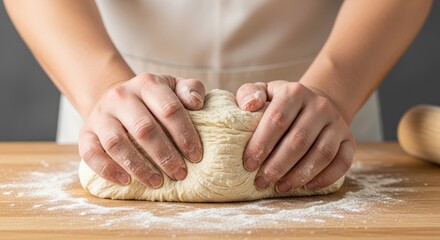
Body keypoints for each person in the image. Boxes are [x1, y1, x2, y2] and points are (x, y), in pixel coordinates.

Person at [5, 0, 431, 193]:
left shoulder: (331, 95)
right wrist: (100, 85)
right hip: (113, 104)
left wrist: (335, 90)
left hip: (323, 107)